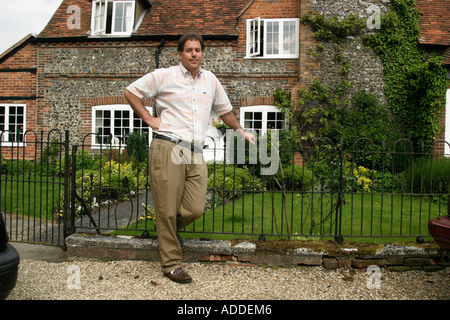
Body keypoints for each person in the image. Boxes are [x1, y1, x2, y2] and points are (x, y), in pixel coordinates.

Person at [124, 33, 255, 283]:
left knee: (195, 208)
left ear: (202, 53)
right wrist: (150, 119)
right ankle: (171, 263)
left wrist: (240, 130)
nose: (194, 54)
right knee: (167, 210)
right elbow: (131, 92)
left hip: (195, 151)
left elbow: (224, 110)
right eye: (189, 50)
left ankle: (167, 234)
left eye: (198, 50)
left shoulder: (211, 80)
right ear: (180, 54)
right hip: (168, 146)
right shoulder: (164, 76)